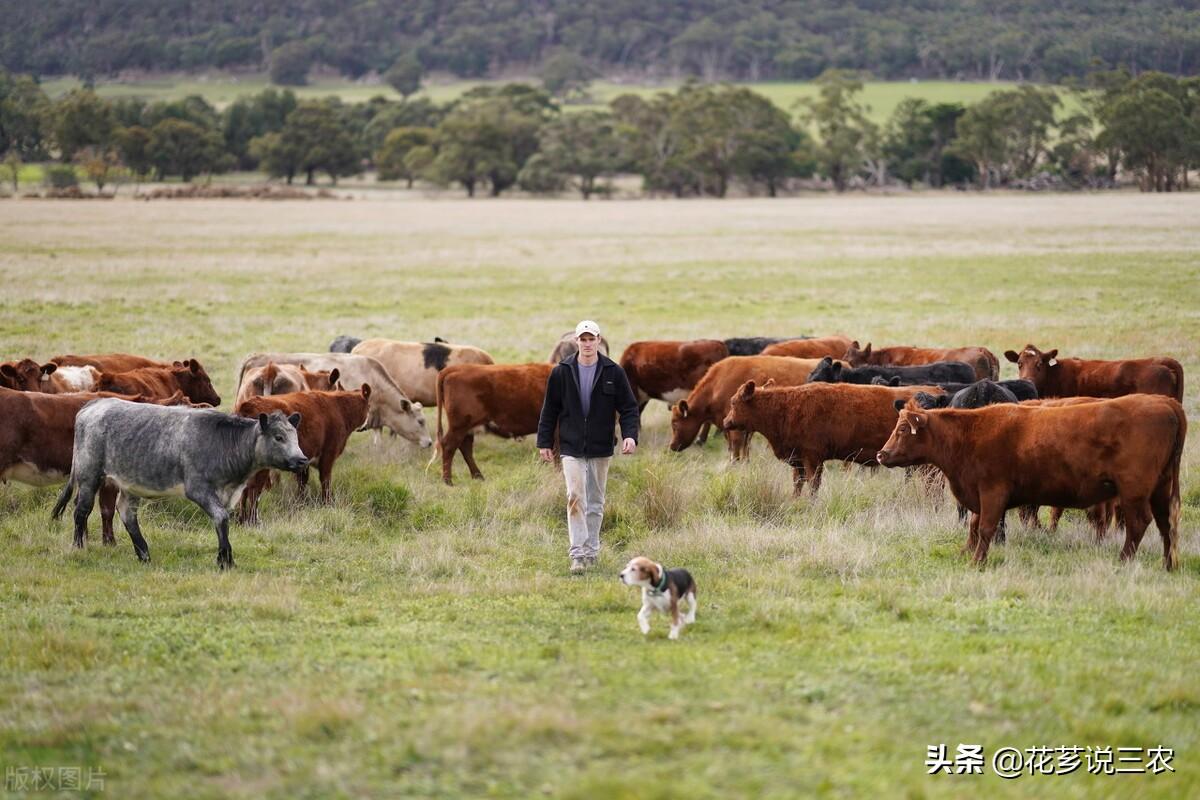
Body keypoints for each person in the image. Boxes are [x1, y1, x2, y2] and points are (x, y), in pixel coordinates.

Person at [537, 320, 640, 573]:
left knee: (595, 501)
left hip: (601, 446)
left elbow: (628, 408)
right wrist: (544, 442)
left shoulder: (613, 372)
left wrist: (630, 435)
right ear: (576, 342)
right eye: (582, 339)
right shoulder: (561, 372)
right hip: (570, 447)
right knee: (574, 497)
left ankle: (592, 551)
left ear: (598, 340)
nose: (586, 343)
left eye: (591, 339)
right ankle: (577, 554)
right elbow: (549, 410)